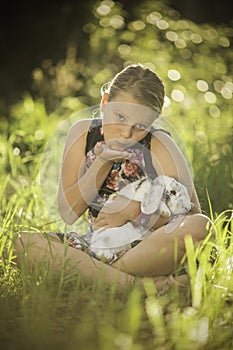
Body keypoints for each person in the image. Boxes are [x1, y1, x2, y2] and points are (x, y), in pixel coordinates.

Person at [14, 64, 210, 293]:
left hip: (148, 248)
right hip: (99, 246)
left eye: (140, 126)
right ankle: (135, 286)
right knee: (19, 243)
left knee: (200, 226)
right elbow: (68, 213)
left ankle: (91, 275)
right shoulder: (83, 133)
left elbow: (190, 213)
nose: (126, 133)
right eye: (120, 117)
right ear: (105, 102)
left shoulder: (159, 143)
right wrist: (102, 162)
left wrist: (135, 210)